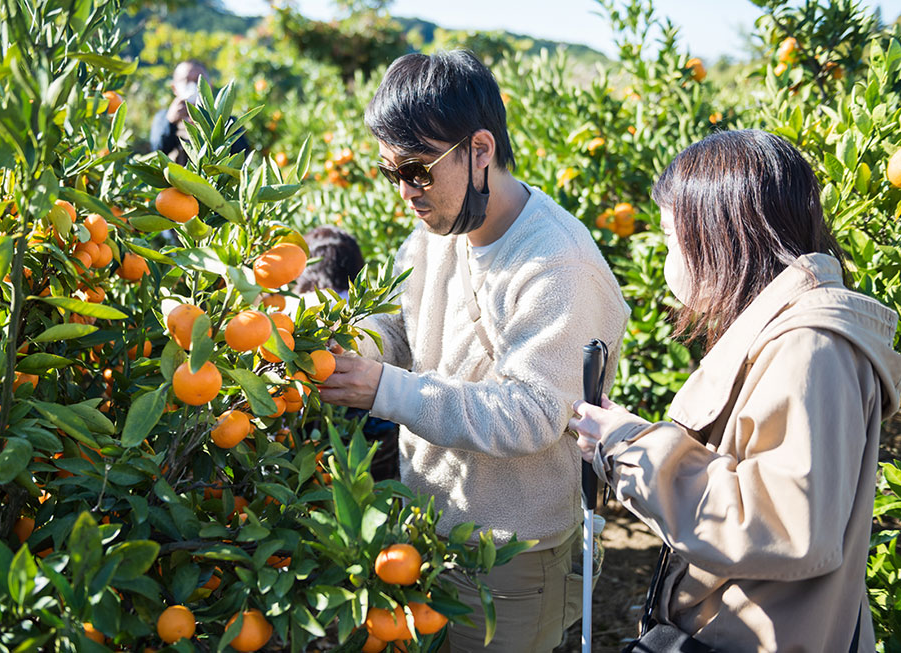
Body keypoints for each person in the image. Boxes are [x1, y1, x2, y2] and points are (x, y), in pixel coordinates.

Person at [317, 50, 629, 652]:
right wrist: (352, 344)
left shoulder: (555, 263)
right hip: (432, 529)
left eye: (417, 170)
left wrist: (383, 389)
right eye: (392, 173)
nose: (406, 191)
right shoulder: (437, 228)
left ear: (479, 150)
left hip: (514, 554)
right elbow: (407, 326)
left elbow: (535, 412)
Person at [569, 130, 901, 652]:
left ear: (721, 236)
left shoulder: (810, 348)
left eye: (672, 241)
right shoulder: (787, 334)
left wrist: (633, 449)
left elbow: (781, 520)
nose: (667, 261)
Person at [149, 60, 247, 165]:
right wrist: (170, 122)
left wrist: (212, 125)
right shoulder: (163, 118)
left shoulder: (225, 120)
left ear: (210, 86)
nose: (192, 85)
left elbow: (241, 154)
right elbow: (156, 151)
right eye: (186, 80)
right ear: (174, 88)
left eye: (198, 80)